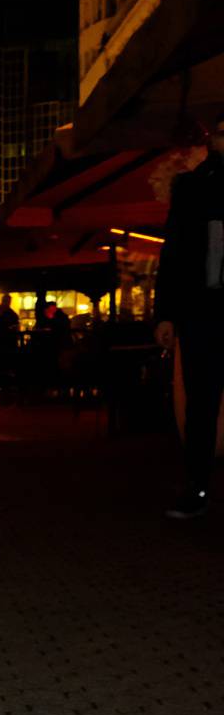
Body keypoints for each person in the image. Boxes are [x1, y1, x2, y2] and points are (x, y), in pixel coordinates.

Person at [154, 113, 224, 520]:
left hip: (203, 313)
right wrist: (166, 314)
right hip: (204, 313)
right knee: (201, 405)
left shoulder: (195, 186)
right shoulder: (194, 187)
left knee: (202, 404)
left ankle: (197, 489)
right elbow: (175, 254)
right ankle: (197, 487)